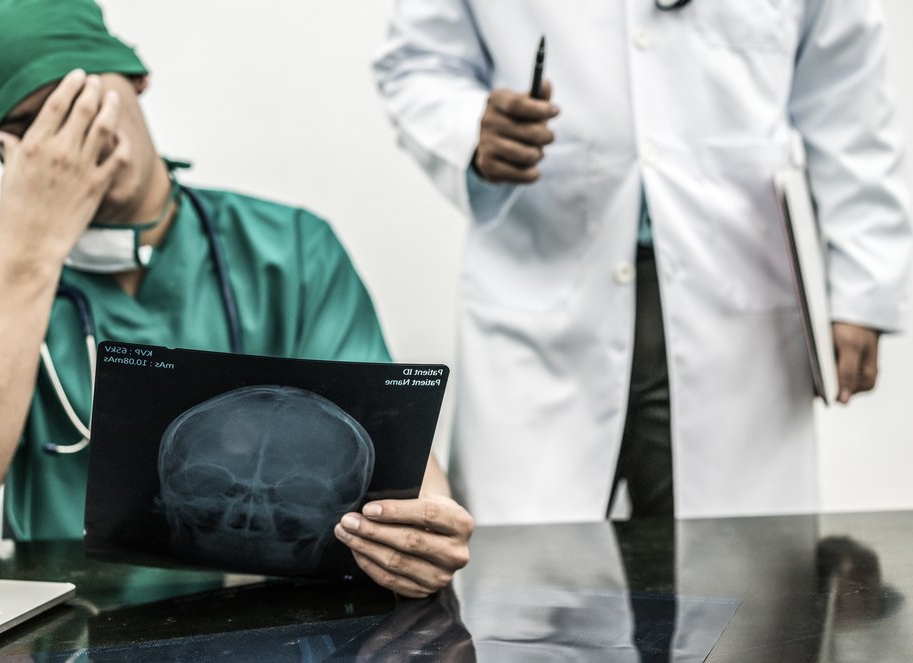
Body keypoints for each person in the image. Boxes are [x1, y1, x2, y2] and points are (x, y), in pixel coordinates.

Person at [0, 0, 472, 599]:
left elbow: (403, 479)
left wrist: (420, 539)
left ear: (136, 75)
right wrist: (30, 256)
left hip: (275, 627)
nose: (75, 144)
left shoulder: (292, 249)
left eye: (78, 105)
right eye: (35, 128)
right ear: (7, 150)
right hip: (62, 636)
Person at [373, 0, 912, 523]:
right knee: (529, 583)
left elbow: (849, 101)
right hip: (545, 290)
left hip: (740, 305)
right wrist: (471, 128)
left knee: (745, 582)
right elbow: (416, 63)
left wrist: (864, 287)